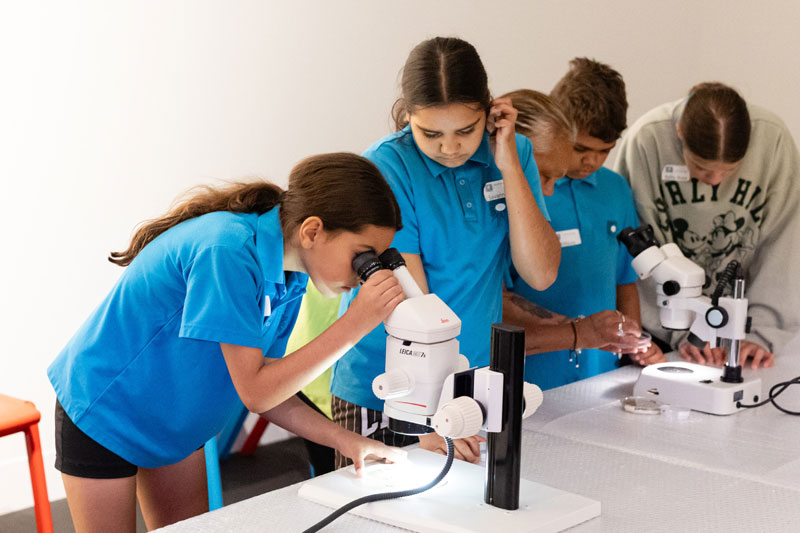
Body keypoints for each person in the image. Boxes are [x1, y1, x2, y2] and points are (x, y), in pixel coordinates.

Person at [47, 153, 407, 532]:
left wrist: (347, 441)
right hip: (108, 408)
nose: (364, 272)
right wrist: (355, 324)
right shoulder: (227, 250)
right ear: (312, 231)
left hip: (175, 417)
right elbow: (256, 392)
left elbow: (272, 385)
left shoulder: (292, 275)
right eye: (361, 255)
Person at [330, 37, 561, 466]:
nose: (450, 147)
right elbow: (411, 309)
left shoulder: (515, 154)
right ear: (408, 116)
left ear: (491, 111)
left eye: (466, 131)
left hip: (469, 382)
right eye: (430, 133)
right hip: (387, 387)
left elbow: (541, 272)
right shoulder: (387, 167)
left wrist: (509, 163)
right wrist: (426, 421)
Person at [502, 60, 664, 391]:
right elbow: (498, 296)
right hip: (529, 375)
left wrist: (633, 340)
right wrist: (577, 330)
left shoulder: (615, 190)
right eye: (581, 149)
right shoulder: (524, 190)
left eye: (605, 151)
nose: (591, 161)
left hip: (601, 372)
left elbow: (625, 279)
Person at [615, 82, 797, 368]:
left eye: (731, 170)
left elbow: (783, 246)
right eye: (699, 167)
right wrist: (687, 332)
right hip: (663, 329)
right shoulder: (646, 140)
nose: (714, 181)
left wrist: (760, 334)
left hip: (744, 329)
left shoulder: (773, 141)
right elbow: (641, 251)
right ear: (679, 132)